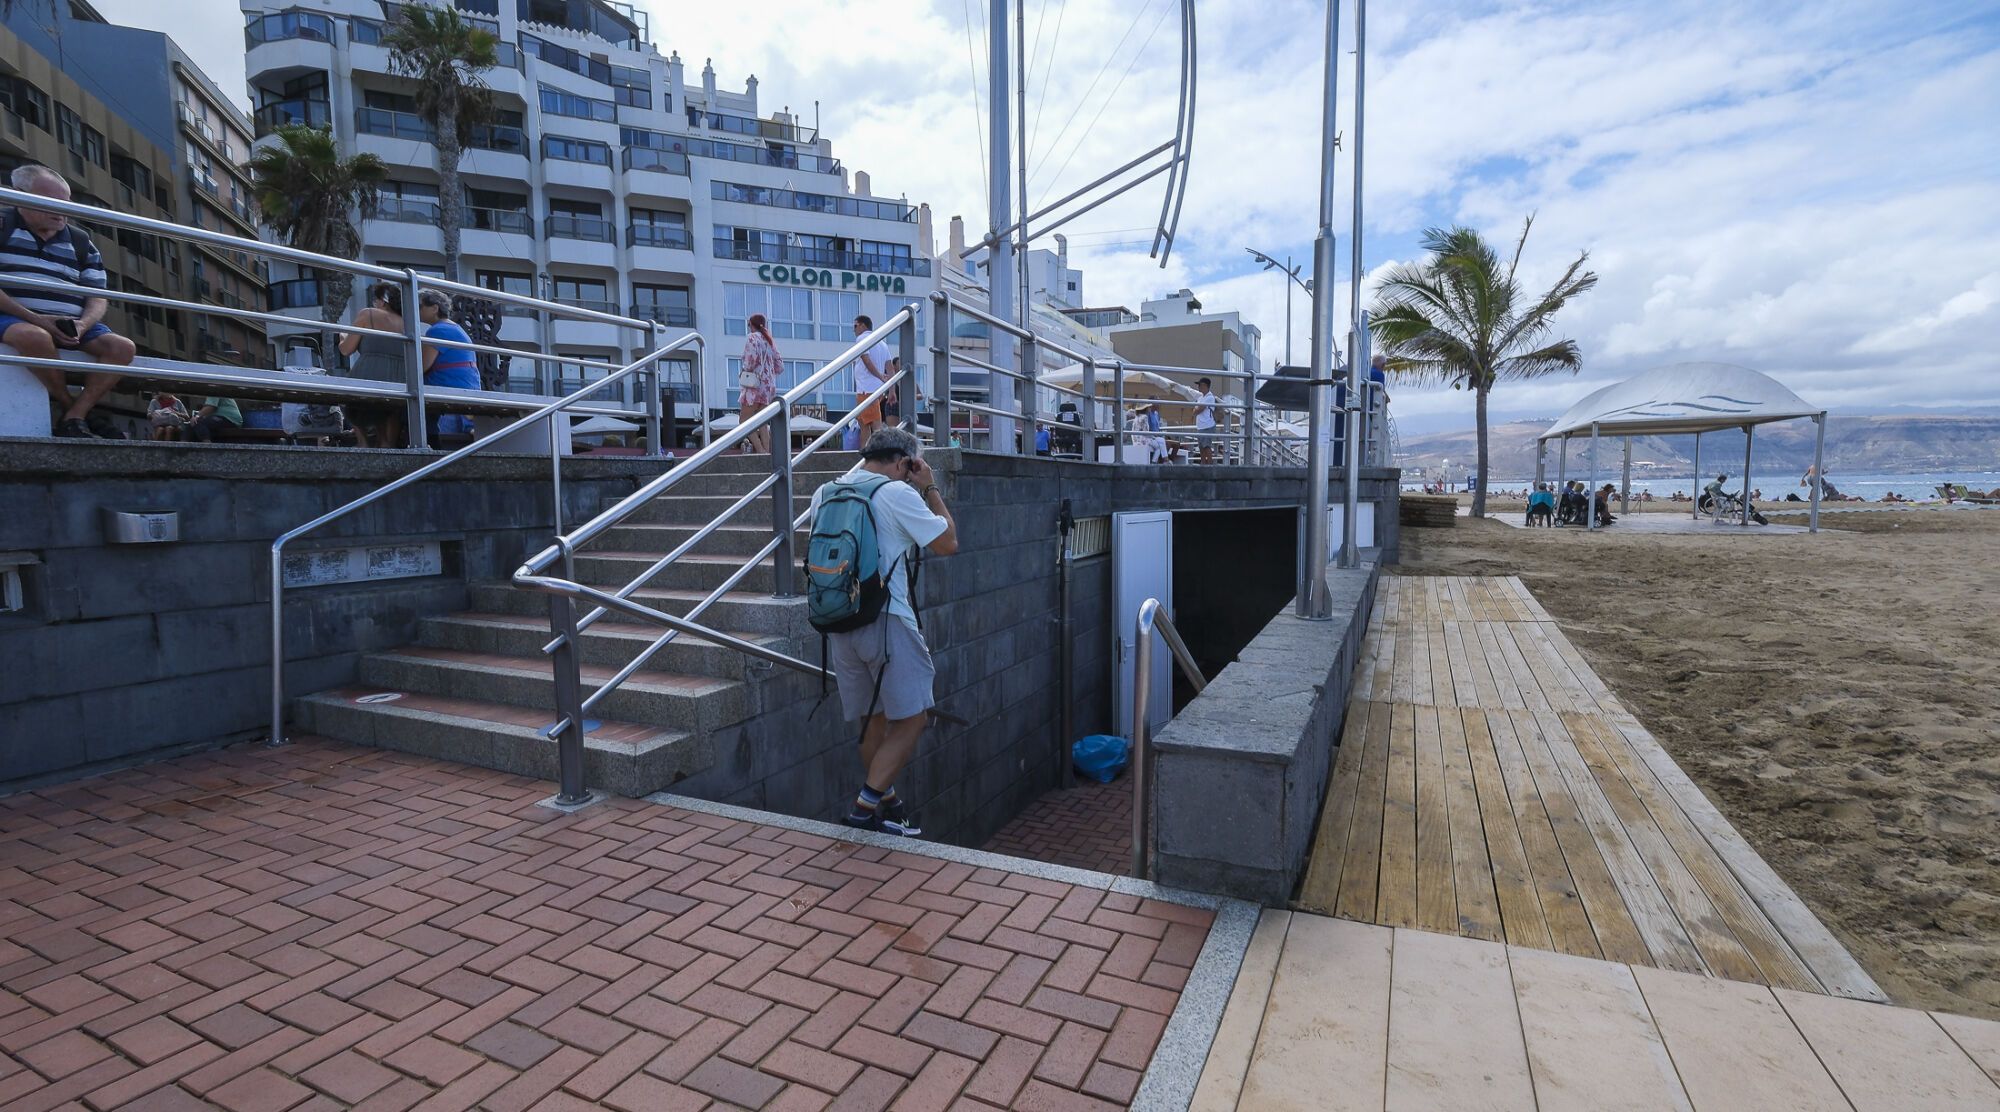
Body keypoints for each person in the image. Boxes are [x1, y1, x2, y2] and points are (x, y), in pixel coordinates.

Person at [811, 427, 958, 835]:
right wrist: (929, 488)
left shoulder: (826, 492)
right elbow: (948, 542)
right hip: (887, 620)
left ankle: (888, 807)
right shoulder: (898, 494)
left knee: (869, 720)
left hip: (840, 622)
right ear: (903, 463)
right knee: (914, 717)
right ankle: (863, 811)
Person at [0, 163, 137, 437]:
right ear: (20, 196)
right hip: (15, 316)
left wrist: (83, 324)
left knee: (122, 348)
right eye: (51, 202)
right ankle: (70, 408)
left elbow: (97, 295)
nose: (61, 210)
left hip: (72, 320)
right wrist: (38, 320)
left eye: (66, 202)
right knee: (35, 336)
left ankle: (76, 415)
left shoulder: (80, 240)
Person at [339, 282, 407, 448]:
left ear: (383, 302)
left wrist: (342, 337)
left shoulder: (368, 314)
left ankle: (363, 441)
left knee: (343, 397)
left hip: (369, 375)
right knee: (390, 410)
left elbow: (346, 350)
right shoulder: (408, 323)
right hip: (399, 379)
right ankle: (387, 445)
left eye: (376, 300)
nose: (374, 304)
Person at [416, 289, 479, 443]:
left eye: (420, 306)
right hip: (467, 390)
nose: (417, 311)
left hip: (447, 391)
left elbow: (421, 367)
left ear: (435, 308)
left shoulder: (438, 330)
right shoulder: (456, 328)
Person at [738, 311, 780, 454]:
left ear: (751, 325)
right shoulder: (769, 340)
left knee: (744, 420)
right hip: (768, 387)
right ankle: (767, 452)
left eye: (748, 324)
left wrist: (744, 371)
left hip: (754, 385)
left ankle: (761, 450)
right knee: (763, 422)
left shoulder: (752, 338)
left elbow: (750, 361)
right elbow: (779, 366)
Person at [852, 314, 891, 448]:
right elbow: (890, 367)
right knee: (867, 424)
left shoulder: (862, 338)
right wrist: (891, 390)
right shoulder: (882, 343)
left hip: (866, 388)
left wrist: (880, 376)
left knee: (871, 426)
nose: (854, 329)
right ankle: (868, 457)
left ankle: (872, 457)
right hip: (877, 390)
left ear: (863, 325)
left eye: (855, 326)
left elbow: (866, 360)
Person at [1192, 377, 1218, 464]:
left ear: (1204, 385)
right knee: (1201, 447)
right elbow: (1195, 410)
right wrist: (1197, 409)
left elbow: (1198, 409)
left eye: (1199, 385)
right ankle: (1203, 465)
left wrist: (1197, 409)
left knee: (1207, 447)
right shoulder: (1201, 397)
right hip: (1201, 426)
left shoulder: (1210, 397)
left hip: (1208, 425)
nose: (1198, 387)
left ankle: (1210, 466)